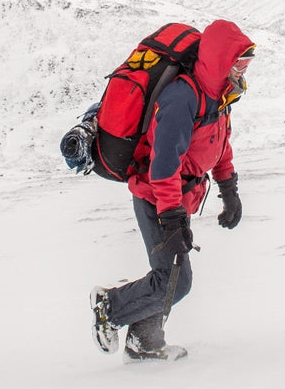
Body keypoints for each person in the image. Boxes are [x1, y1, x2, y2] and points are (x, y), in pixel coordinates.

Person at [90, 19, 255, 361]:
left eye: (247, 65)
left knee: (172, 274)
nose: (243, 71)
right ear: (221, 60)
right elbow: (163, 164)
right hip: (156, 196)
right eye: (238, 63)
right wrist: (170, 216)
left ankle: (144, 341)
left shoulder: (218, 96)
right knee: (174, 280)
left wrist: (229, 189)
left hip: (179, 198)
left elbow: (219, 145)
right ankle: (110, 307)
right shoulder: (183, 97)